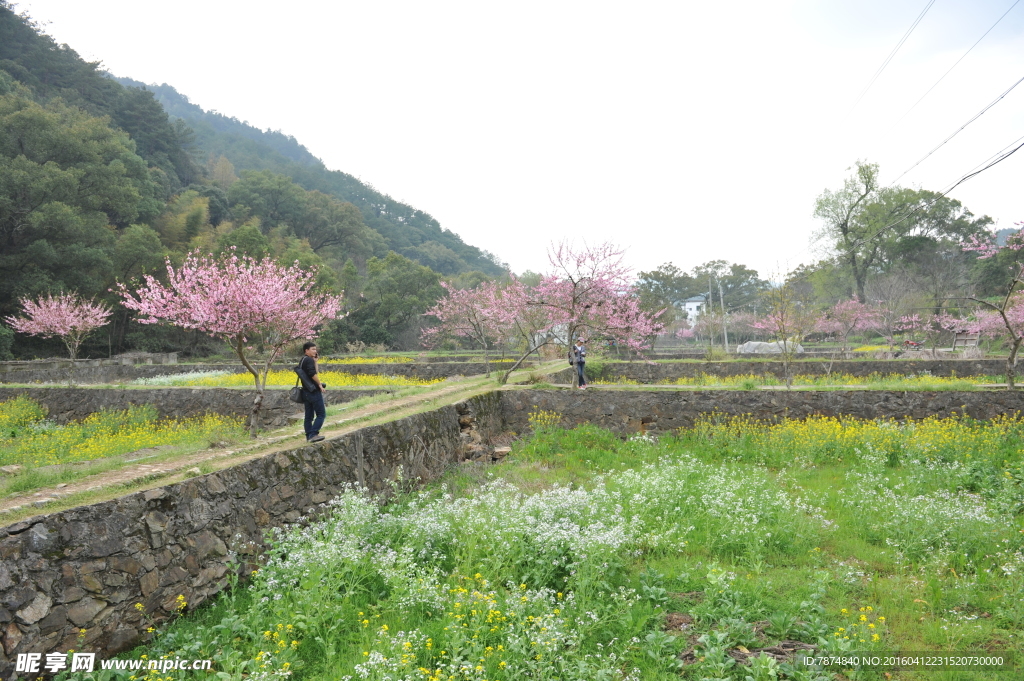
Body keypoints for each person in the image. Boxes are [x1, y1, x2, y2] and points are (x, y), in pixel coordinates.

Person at [299, 341, 326, 442]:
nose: (315, 351)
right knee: (321, 414)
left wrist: (315, 361)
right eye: (313, 349)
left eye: (316, 349)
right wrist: (319, 384)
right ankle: (313, 434)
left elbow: (314, 372)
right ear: (306, 350)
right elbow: (312, 374)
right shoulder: (308, 360)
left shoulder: (303, 360)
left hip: (305, 391)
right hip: (313, 391)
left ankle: (309, 436)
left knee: (308, 416)